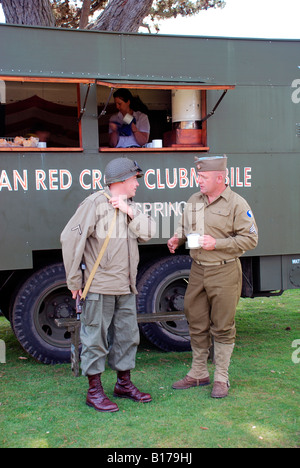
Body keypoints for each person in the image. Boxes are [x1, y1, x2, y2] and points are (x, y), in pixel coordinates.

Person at [60, 158, 156, 412]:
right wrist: (74, 281)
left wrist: (128, 210)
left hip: (126, 286)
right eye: (134, 179)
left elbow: (149, 232)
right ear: (122, 180)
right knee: (95, 339)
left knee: (127, 337)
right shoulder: (94, 203)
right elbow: (71, 239)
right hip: (99, 286)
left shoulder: (130, 205)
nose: (137, 184)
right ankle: (94, 391)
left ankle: (123, 384)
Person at [167, 155, 258, 398]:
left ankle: (221, 377)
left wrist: (216, 243)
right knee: (195, 320)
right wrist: (178, 238)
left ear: (220, 178)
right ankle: (198, 373)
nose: (198, 180)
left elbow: (250, 238)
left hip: (224, 270)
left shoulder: (237, 204)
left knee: (223, 325)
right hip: (197, 270)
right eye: (198, 176)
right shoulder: (194, 200)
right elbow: (185, 227)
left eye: (203, 177)